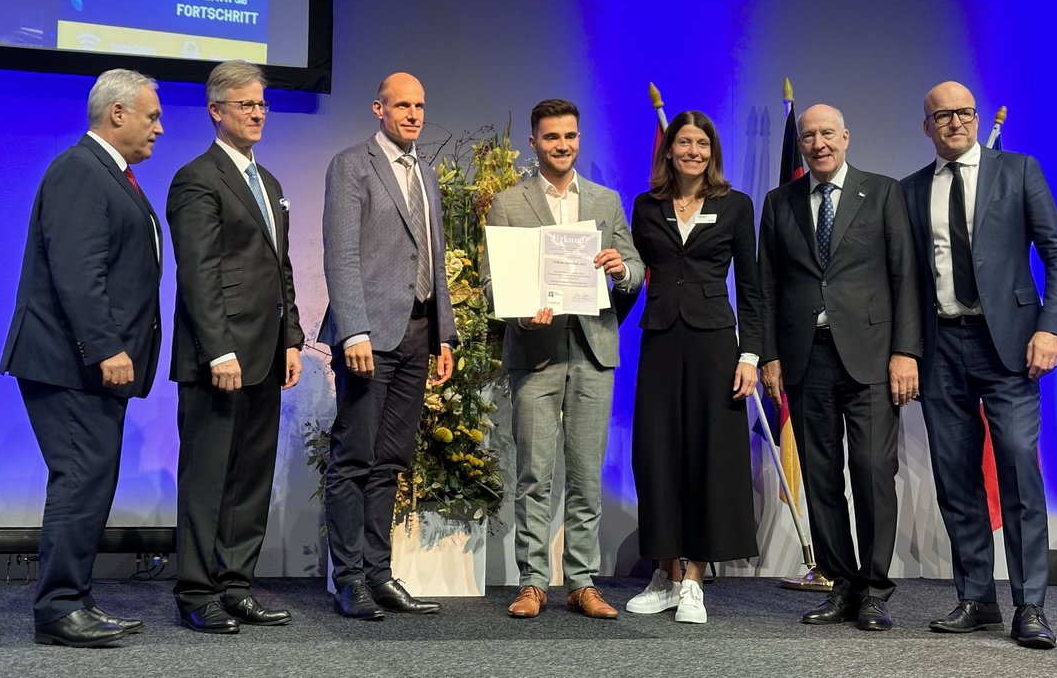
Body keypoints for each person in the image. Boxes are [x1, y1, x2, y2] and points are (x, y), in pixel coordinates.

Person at [901, 81, 1057, 649]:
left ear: (977, 118)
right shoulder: (909, 191)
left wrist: (1051, 328)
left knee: (1020, 470)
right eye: (942, 116)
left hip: (1010, 349)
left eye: (964, 112)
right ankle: (977, 598)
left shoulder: (1019, 170)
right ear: (926, 126)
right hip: (940, 349)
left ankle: (1030, 605)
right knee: (956, 479)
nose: (956, 122)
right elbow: (904, 281)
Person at [0, 68, 164, 646]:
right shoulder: (79, 171)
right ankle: (59, 608)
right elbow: (77, 273)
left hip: (84, 365)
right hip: (69, 363)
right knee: (80, 478)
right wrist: (106, 347)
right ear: (116, 114)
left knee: (91, 479)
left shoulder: (109, 175)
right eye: (152, 116)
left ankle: (75, 598)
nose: (159, 129)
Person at [757, 103, 920, 631]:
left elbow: (905, 276)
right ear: (801, 144)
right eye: (809, 135)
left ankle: (874, 590)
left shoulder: (883, 191)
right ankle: (841, 584)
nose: (818, 142)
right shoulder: (779, 202)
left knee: (873, 473)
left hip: (872, 357)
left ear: (846, 137)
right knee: (822, 479)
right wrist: (769, 355)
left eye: (828, 133)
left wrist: (905, 352)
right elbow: (766, 286)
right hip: (805, 359)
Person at [482, 98, 645, 619]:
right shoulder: (508, 203)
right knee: (534, 473)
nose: (562, 145)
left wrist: (621, 269)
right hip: (535, 352)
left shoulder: (605, 199)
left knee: (585, 474)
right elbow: (491, 284)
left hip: (593, 348)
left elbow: (638, 269)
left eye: (570, 136)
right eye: (552, 137)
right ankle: (532, 582)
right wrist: (521, 314)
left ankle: (581, 581)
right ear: (534, 143)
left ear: (580, 139)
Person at [167, 60, 304, 634]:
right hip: (219, 358)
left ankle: (236, 585)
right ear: (216, 110)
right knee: (207, 477)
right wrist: (218, 349)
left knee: (252, 475)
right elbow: (198, 274)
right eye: (244, 104)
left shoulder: (267, 181)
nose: (256, 114)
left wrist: (292, 337)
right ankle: (198, 591)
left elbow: (281, 268)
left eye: (261, 105)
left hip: (267, 353)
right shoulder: (197, 177)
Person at [321, 72, 457, 620]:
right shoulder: (352, 165)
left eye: (420, 105)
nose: (413, 114)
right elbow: (341, 253)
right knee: (354, 456)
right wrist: (353, 329)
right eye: (402, 105)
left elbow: (435, 260)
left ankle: (378, 573)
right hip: (369, 336)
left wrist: (445, 333)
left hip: (419, 331)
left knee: (391, 459)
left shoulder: (425, 171)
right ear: (378, 108)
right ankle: (348, 577)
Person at [625, 111, 761, 624]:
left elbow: (751, 285)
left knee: (709, 455)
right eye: (684, 142)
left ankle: (695, 581)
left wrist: (750, 354)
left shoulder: (735, 205)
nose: (693, 152)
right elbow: (633, 272)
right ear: (669, 149)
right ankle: (664, 573)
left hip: (713, 344)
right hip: (660, 340)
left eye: (702, 143)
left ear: (713, 151)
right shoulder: (645, 205)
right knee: (657, 453)